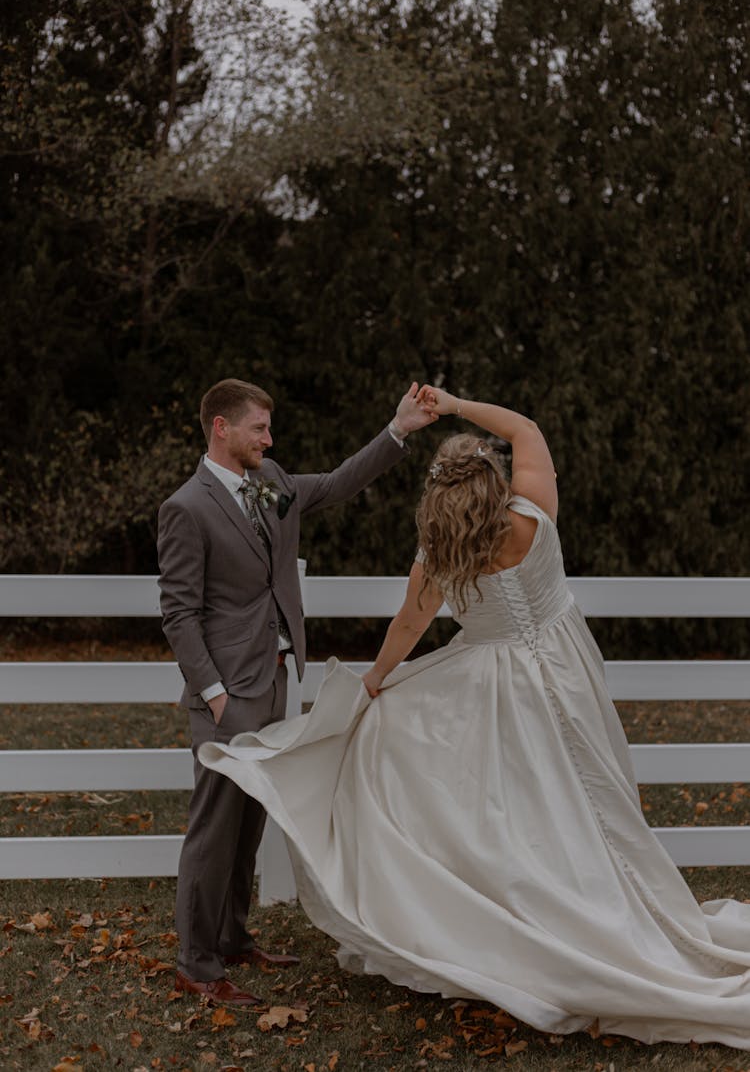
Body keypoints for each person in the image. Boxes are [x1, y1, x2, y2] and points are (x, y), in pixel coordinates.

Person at [199, 386, 750, 1048]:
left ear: (438, 503)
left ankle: (541, 921)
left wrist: (374, 684)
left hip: (498, 695)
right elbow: (525, 427)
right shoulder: (534, 513)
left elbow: (408, 625)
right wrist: (456, 404)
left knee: (527, 814)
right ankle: (618, 916)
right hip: (569, 672)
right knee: (592, 801)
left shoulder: (440, 554)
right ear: (493, 482)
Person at [157, 377, 437, 1006]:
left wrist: (397, 431)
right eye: (259, 427)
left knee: (249, 820)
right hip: (228, 692)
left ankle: (231, 937)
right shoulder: (188, 506)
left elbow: (336, 483)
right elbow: (178, 614)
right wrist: (214, 692)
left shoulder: (270, 482)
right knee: (214, 826)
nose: (269, 438)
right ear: (221, 428)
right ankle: (197, 966)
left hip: (275, 680)